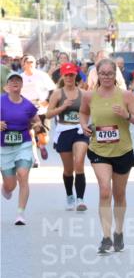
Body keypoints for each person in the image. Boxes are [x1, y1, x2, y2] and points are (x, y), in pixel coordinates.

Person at [79, 57, 134, 254]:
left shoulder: (125, 95)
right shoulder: (89, 96)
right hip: (99, 149)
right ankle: (106, 236)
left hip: (122, 150)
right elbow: (83, 113)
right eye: (102, 73)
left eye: (109, 73)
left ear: (115, 74)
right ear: (96, 74)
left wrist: (126, 116)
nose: (106, 77)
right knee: (105, 190)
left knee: (119, 194)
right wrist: (83, 126)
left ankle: (119, 232)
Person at [46, 63, 89, 211]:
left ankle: (80, 199)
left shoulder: (83, 93)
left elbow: (91, 111)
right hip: (64, 131)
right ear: (63, 76)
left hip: (79, 130)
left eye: (72, 75)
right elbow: (48, 114)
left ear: (76, 75)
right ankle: (70, 195)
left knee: (79, 163)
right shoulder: (57, 93)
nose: (69, 77)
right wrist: (62, 107)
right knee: (68, 169)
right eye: (66, 75)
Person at [1, 73, 42, 225]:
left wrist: (37, 125)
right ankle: (6, 188)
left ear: (21, 85)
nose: (15, 83)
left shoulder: (27, 105)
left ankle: (20, 214)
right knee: (11, 185)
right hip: (4, 147)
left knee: (23, 175)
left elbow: (37, 120)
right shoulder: (1, 101)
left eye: (18, 80)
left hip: (23, 144)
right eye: (12, 81)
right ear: (8, 86)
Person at [18, 54, 55, 161]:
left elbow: (53, 90)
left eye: (32, 62)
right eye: (27, 62)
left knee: (44, 138)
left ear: (35, 64)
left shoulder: (42, 75)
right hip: (27, 110)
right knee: (30, 134)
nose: (30, 64)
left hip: (42, 109)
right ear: (23, 64)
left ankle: (42, 145)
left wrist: (47, 101)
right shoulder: (20, 78)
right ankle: (35, 159)